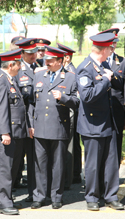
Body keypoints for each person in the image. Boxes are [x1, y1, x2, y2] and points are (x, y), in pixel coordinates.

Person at [76, 32, 124, 211]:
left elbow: (118, 84)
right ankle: (92, 197)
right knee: (93, 165)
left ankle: (110, 196)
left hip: (108, 122)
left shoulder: (103, 64)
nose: (112, 51)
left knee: (111, 163)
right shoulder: (85, 68)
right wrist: (105, 79)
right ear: (103, 49)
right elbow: (87, 96)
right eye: (110, 48)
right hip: (92, 124)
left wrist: (111, 77)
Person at [29, 45, 79, 209]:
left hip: (59, 127)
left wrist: (63, 98)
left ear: (60, 61)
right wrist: (31, 124)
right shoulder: (39, 76)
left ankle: (56, 197)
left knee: (58, 165)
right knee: (40, 164)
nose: (47, 63)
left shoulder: (71, 77)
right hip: (40, 127)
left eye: (50, 61)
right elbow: (31, 103)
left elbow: (77, 102)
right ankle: (40, 196)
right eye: (46, 60)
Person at [0, 48, 28, 215]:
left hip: (15, 131)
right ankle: (2, 202)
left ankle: (5, 200)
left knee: (10, 169)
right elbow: (0, 109)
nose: (20, 67)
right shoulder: (0, 81)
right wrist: (4, 132)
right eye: (18, 64)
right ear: (11, 65)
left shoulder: (9, 79)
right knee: (3, 170)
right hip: (5, 133)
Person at [99, 28, 125, 166]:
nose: (112, 45)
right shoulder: (96, 61)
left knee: (116, 146)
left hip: (117, 111)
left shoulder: (123, 62)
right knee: (100, 148)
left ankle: (113, 180)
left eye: (114, 42)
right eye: (109, 42)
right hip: (100, 111)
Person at [13, 38, 39, 202]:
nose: (33, 56)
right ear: (22, 54)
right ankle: (28, 192)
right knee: (22, 158)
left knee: (38, 159)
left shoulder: (42, 66)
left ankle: (38, 192)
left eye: (34, 52)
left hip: (40, 118)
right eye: (29, 53)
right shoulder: (18, 71)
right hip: (25, 120)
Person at [56, 43, 81, 187]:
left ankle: (70, 176)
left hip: (69, 111)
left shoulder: (70, 72)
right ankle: (73, 175)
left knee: (71, 145)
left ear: (66, 57)